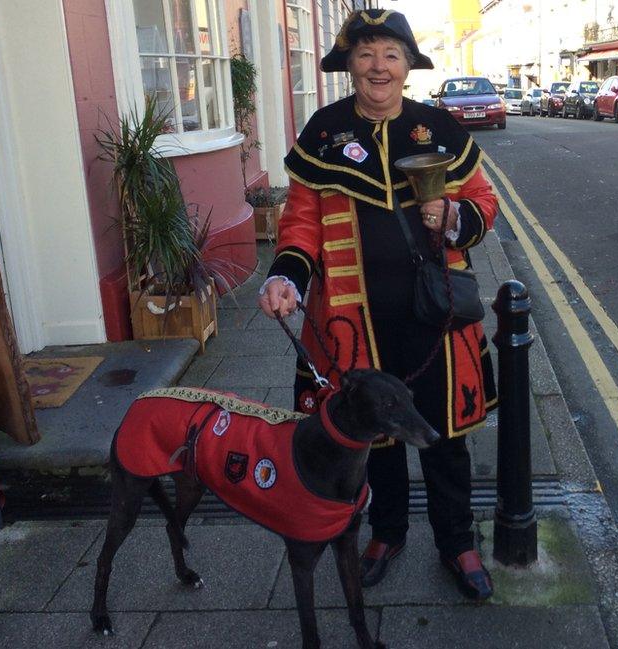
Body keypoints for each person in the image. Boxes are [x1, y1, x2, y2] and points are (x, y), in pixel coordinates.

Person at [257, 9, 498, 601]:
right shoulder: (323, 133)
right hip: (354, 318)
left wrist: (456, 218)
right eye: (365, 54)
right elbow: (300, 225)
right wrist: (285, 277)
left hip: (435, 313)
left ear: (408, 65)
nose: (378, 67)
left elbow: (483, 201)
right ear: (350, 67)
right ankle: (386, 532)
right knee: (372, 435)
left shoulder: (438, 128)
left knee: (442, 433)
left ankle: (457, 541)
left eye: (391, 54)